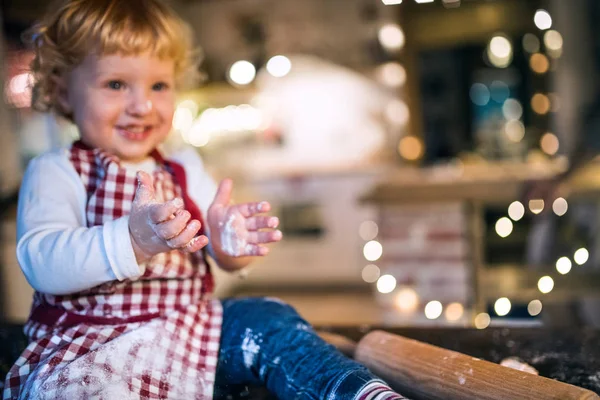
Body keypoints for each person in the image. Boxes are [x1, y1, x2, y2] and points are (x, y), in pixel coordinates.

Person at [2, 1, 407, 399]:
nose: (142, 105)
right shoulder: (57, 170)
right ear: (63, 91)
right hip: (96, 347)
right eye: (115, 84)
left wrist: (228, 244)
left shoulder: (182, 167)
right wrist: (133, 240)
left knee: (267, 318)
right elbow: (43, 264)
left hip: (192, 335)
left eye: (159, 86)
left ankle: (354, 392)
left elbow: (216, 250)